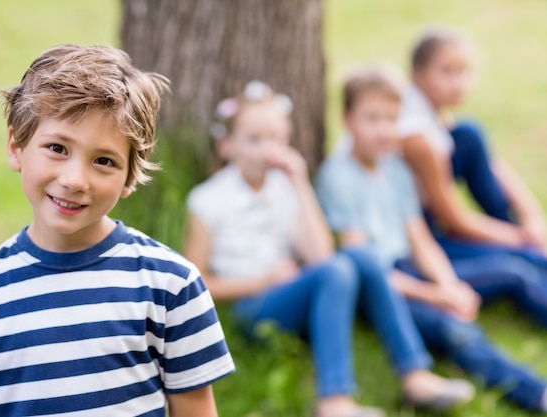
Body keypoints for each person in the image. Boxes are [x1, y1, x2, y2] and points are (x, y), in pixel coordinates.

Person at [0, 44, 235, 417]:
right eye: (57, 148)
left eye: (104, 161)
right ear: (16, 147)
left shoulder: (170, 284)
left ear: (129, 176)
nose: (75, 180)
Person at [185, 80, 473, 417]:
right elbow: (198, 283)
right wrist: (264, 281)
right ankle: (334, 401)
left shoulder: (284, 188)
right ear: (226, 145)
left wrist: (301, 185)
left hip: (294, 288)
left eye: (277, 139)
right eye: (254, 140)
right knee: (336, 269)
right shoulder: (207, 200)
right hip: (253, 305)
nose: (267, 149)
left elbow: (320, 254)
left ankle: (414, 374)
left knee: (359, 258)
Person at [316, 65, 547, 412]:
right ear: (347, 119)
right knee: (457, 331)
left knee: (513, 272)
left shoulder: (393, 167)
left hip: (413, 268)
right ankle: (536, 393)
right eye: (372, 118)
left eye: (391, 119)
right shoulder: (338, 178)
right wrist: (436, 296)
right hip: (381, 289)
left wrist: (449, 284)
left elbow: (420, 238)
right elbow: (368, 269)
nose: (383, 129)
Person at [397, 26, 547, 264]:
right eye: (447, 72)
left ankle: (508, 225)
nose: (459, 84)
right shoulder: (416, 135)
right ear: (418, 74)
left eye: (464, 71)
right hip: (414, 233)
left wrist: (532, 215)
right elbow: (452, 220)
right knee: (527, 259)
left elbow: (491, 164)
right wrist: (521, 238)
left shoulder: (430, 109)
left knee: (469, 134)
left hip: (429, 216)